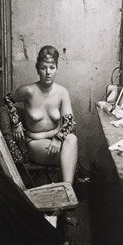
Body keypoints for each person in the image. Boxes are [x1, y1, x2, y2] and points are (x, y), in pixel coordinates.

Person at [11, 45, 79, 184]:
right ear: (37, 69)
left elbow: (70, 122)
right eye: (43, 68)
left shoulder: (62, 92)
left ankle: (66, 189)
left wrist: (58, 138)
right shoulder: (28, 91)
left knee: (72, 139)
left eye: (52, 67)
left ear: (57, 69)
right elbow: (7, 100)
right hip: (35, 143)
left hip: (56, 140)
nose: (48, 72)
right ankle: (66, 190)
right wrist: (16, 122)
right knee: (69, 157)